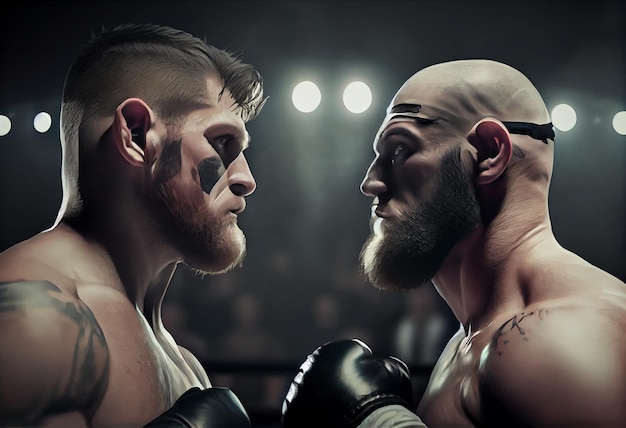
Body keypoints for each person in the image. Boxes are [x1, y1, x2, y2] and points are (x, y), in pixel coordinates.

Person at [281, 59, 626, 427]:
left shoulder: (557, 340)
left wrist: (377, 422)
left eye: (399, 151)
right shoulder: (477, 335)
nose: (371, 183)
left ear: (490, 153)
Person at [0, 23, 266, 427]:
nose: (245, 178)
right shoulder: (36, 320)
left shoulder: (182, 360)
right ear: (138, 136)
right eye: (222, 142)